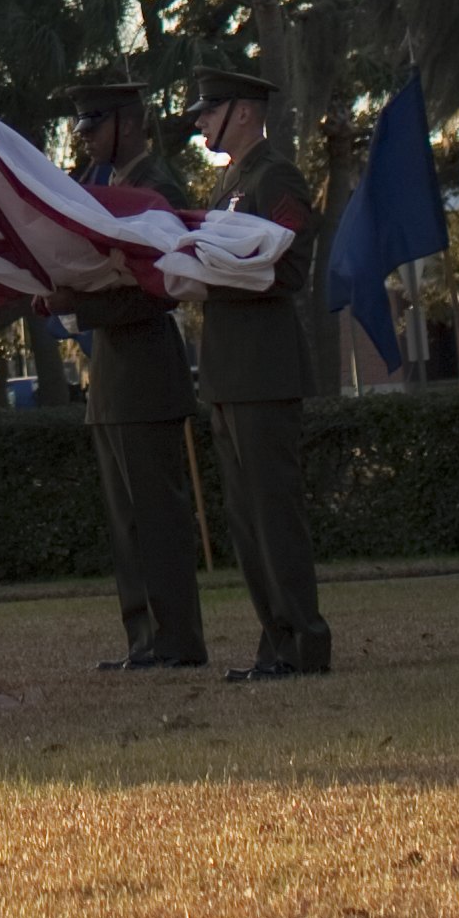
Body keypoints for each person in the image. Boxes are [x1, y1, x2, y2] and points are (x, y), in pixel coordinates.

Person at [63, 80, 210, 673]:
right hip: (116, 375)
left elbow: (158, 291)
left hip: (147, 370)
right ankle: (144, 640)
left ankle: (177, 639)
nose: (87, 139)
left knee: (157, 518)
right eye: (83, 129)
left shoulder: (157, 190)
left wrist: (76, 305)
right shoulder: (105, 189)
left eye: (95, 127)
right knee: (127, 523)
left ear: (128, 123)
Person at [187, 68, 328, 680]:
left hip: (264, 371)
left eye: (209, 109)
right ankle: (275, 642)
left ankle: (303, 643)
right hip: (229, 372)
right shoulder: (231, 183)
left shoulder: (274, 176)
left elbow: (291, 263)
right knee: (246, 522)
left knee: (274, 516)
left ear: (244, 112)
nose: (199, 120)